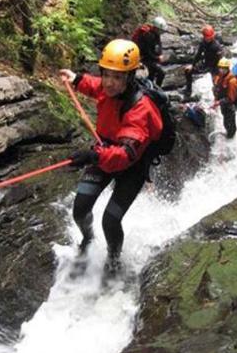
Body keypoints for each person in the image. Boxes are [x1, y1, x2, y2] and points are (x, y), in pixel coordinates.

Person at [59, 38, 164, 282]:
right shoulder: (107, 89)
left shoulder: (141, 108)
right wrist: (76, 79)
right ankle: (87, 238)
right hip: (106, 153)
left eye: (117, 77)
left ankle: (114, 259)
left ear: (129, 77)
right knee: (80, 208)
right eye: (107, 74)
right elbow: (96, 87)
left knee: (110, 219)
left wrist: (93, 155)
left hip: (132, 168)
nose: (110, 82)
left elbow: (126, 154)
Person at [182, 24, 222, 99]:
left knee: (215, 85)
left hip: (214, 68)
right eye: (206, 38)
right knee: (187, 71)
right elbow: (198, 55)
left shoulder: (216, 46)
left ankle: (216, 99)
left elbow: (220, 61)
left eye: (209, 38)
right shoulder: (203, 43)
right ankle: (188, 90)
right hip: (205, 65)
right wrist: (192, 65)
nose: (207, 39)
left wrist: (217, 74)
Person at [130, 15, 167, 88]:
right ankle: (157, 89)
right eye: (160, 30)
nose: (161, 32)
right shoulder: (147, 36)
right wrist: (157, 58)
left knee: (152, 75)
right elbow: (147, 52)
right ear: (156, 28)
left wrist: (160, 54)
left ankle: (152, 88)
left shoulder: (156, 35)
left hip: (151, 59)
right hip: (144, 59)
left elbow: (159, 45)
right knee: (161, 73)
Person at [212, 58, 237, 137]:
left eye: (223, 68)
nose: (221, 70)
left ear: (227, 68)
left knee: (229, 122)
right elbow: (217, 89)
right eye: (220, 68)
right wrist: (216, 100)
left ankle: (231, 137)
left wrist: (219, 102)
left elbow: (231, 99)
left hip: (229, 105)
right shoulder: (219, 77)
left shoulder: (232, 81)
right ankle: (229, 133)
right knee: (225, 120)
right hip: (223, 103)